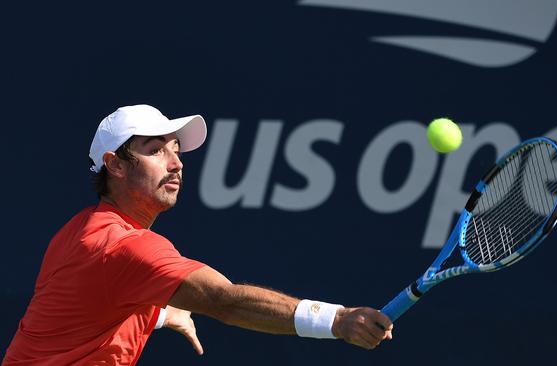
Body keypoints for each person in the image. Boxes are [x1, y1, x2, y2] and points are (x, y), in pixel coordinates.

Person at [2, 104, 394, 365]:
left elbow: (87, 309)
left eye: (176, 150)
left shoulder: (78, 231)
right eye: (156, 151)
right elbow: (225, 302)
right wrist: (338, 320)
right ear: (115, 165)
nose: (175, 164)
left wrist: (159, 314)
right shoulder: (125, 247)